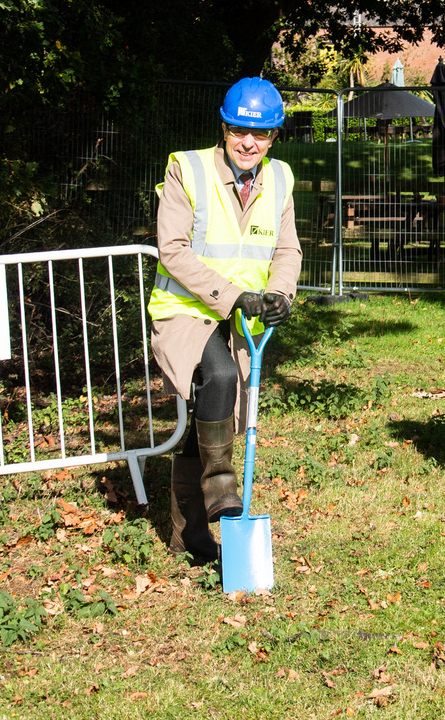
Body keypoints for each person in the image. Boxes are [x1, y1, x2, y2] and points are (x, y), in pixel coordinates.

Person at [149, 76, 303, 561]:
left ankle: (188, 537)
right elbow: (171, 248)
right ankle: (219, 485)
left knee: (210, 415)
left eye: (260, 134)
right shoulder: (187, 170)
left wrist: (279, 294)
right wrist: (233, 294)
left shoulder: (280, 178)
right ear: (223, 126)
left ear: (275, 136)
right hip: (186, 311)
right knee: (218, 375)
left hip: (241, 319)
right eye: (239, 130)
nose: (248, 142)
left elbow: (287, 248)